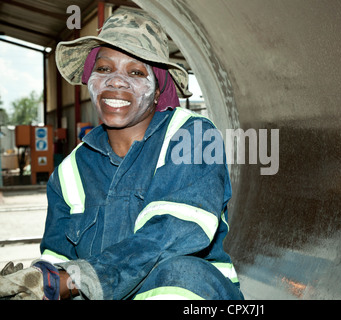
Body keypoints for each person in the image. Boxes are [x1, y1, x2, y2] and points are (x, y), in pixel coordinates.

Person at [0, 7, 243, 300]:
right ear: (89, 80)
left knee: (179, 274)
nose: (115, 81)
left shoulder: (192, 137)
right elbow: (58, 260)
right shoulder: (69, 172)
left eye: (136, 72)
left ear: (156, 91)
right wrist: (38, 279)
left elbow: (172, 233)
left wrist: (74, 280)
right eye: (103, 69)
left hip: (190, 294)